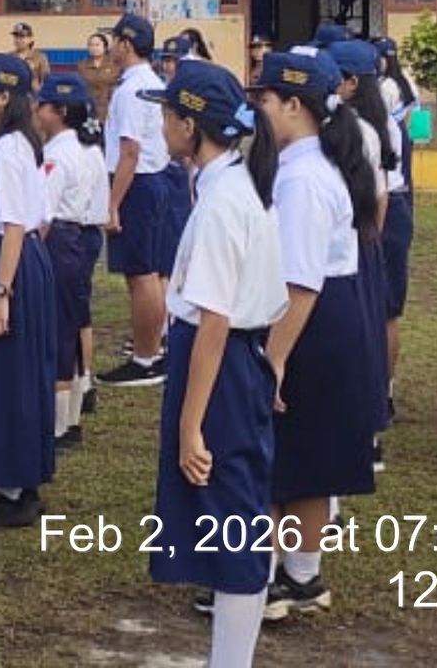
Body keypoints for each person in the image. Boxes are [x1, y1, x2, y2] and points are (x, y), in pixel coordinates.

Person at [141, 58, 286, 668]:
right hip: (227, 360)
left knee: (232, 515)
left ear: (189, 124)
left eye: (168, 115)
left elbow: (215, 320)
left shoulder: (225, 201)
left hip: (220, 364)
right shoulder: (225, 187)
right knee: (228, 513)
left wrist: (190, 425)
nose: (162, 126)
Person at [250, 49, 380, 621]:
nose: (259, 109)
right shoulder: (312, 165)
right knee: (309, 455)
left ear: (293, 106)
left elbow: (300, 282)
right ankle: (301, 575)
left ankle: (273, 578)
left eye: (266, 98)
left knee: (291, 455)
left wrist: (273, 360)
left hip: (308, 323)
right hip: (326, 317)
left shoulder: (302, 179)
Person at [0, 52, 56, 527]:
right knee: (14, 372)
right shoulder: (20, 143)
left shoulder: (8, 149)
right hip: (22, 259)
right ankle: (10, 478)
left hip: (12, 260)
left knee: (7, 375)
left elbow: (15, 224)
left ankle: (12, 487)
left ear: (2, 98)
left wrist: (2, 292)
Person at [328, 39, 394, 468]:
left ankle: (364, 434)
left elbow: (378, 198)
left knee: (358, 339)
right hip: (360, 243)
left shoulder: (354, 129)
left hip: (353, 244)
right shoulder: (365, 126)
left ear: (351, 83)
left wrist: (365, 243)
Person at [98, 14, 174, 387]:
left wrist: (112, 204)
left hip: (136, 182)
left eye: (114, 40)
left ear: (125, 45)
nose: (111, 47)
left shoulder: (131, 90)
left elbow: (129, 151)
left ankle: (146, 359)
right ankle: (153, 349)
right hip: (153, 179)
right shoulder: (152, 82)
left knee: (140, 273)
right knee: (152, 272)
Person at [35, 75, 109, 444]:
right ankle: (74, 410)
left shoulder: (57, 154)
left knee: (59, 328)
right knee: (75, 320)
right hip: (81, 236)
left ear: (60, 111)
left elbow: (43, 215)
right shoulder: (87, 148)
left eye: (43, 106)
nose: (38, 112)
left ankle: (60, 424)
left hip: (60, 239)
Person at [374, 35, 417, 424]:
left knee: (383, 309)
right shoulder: (404, 87)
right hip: (399, 191)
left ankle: (380, 391)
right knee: (386, 310)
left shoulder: (379, 102)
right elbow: (418, 130)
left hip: (385, 200)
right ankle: (383, 391)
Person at [81, 31, 121, 122]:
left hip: (110, 109)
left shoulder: (115, 65)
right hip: (90, 110)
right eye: (91, 45)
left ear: (105, 47)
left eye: (97, 45)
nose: (94, 48)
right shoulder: (82, 66)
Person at [12, 22, 51, 87]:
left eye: (22, 37)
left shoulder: (39, 57)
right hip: (14, 92)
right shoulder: (9, 57)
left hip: (33, 92)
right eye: (16, 37)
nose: (18, 40)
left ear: (30, 39)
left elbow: (46, 80)